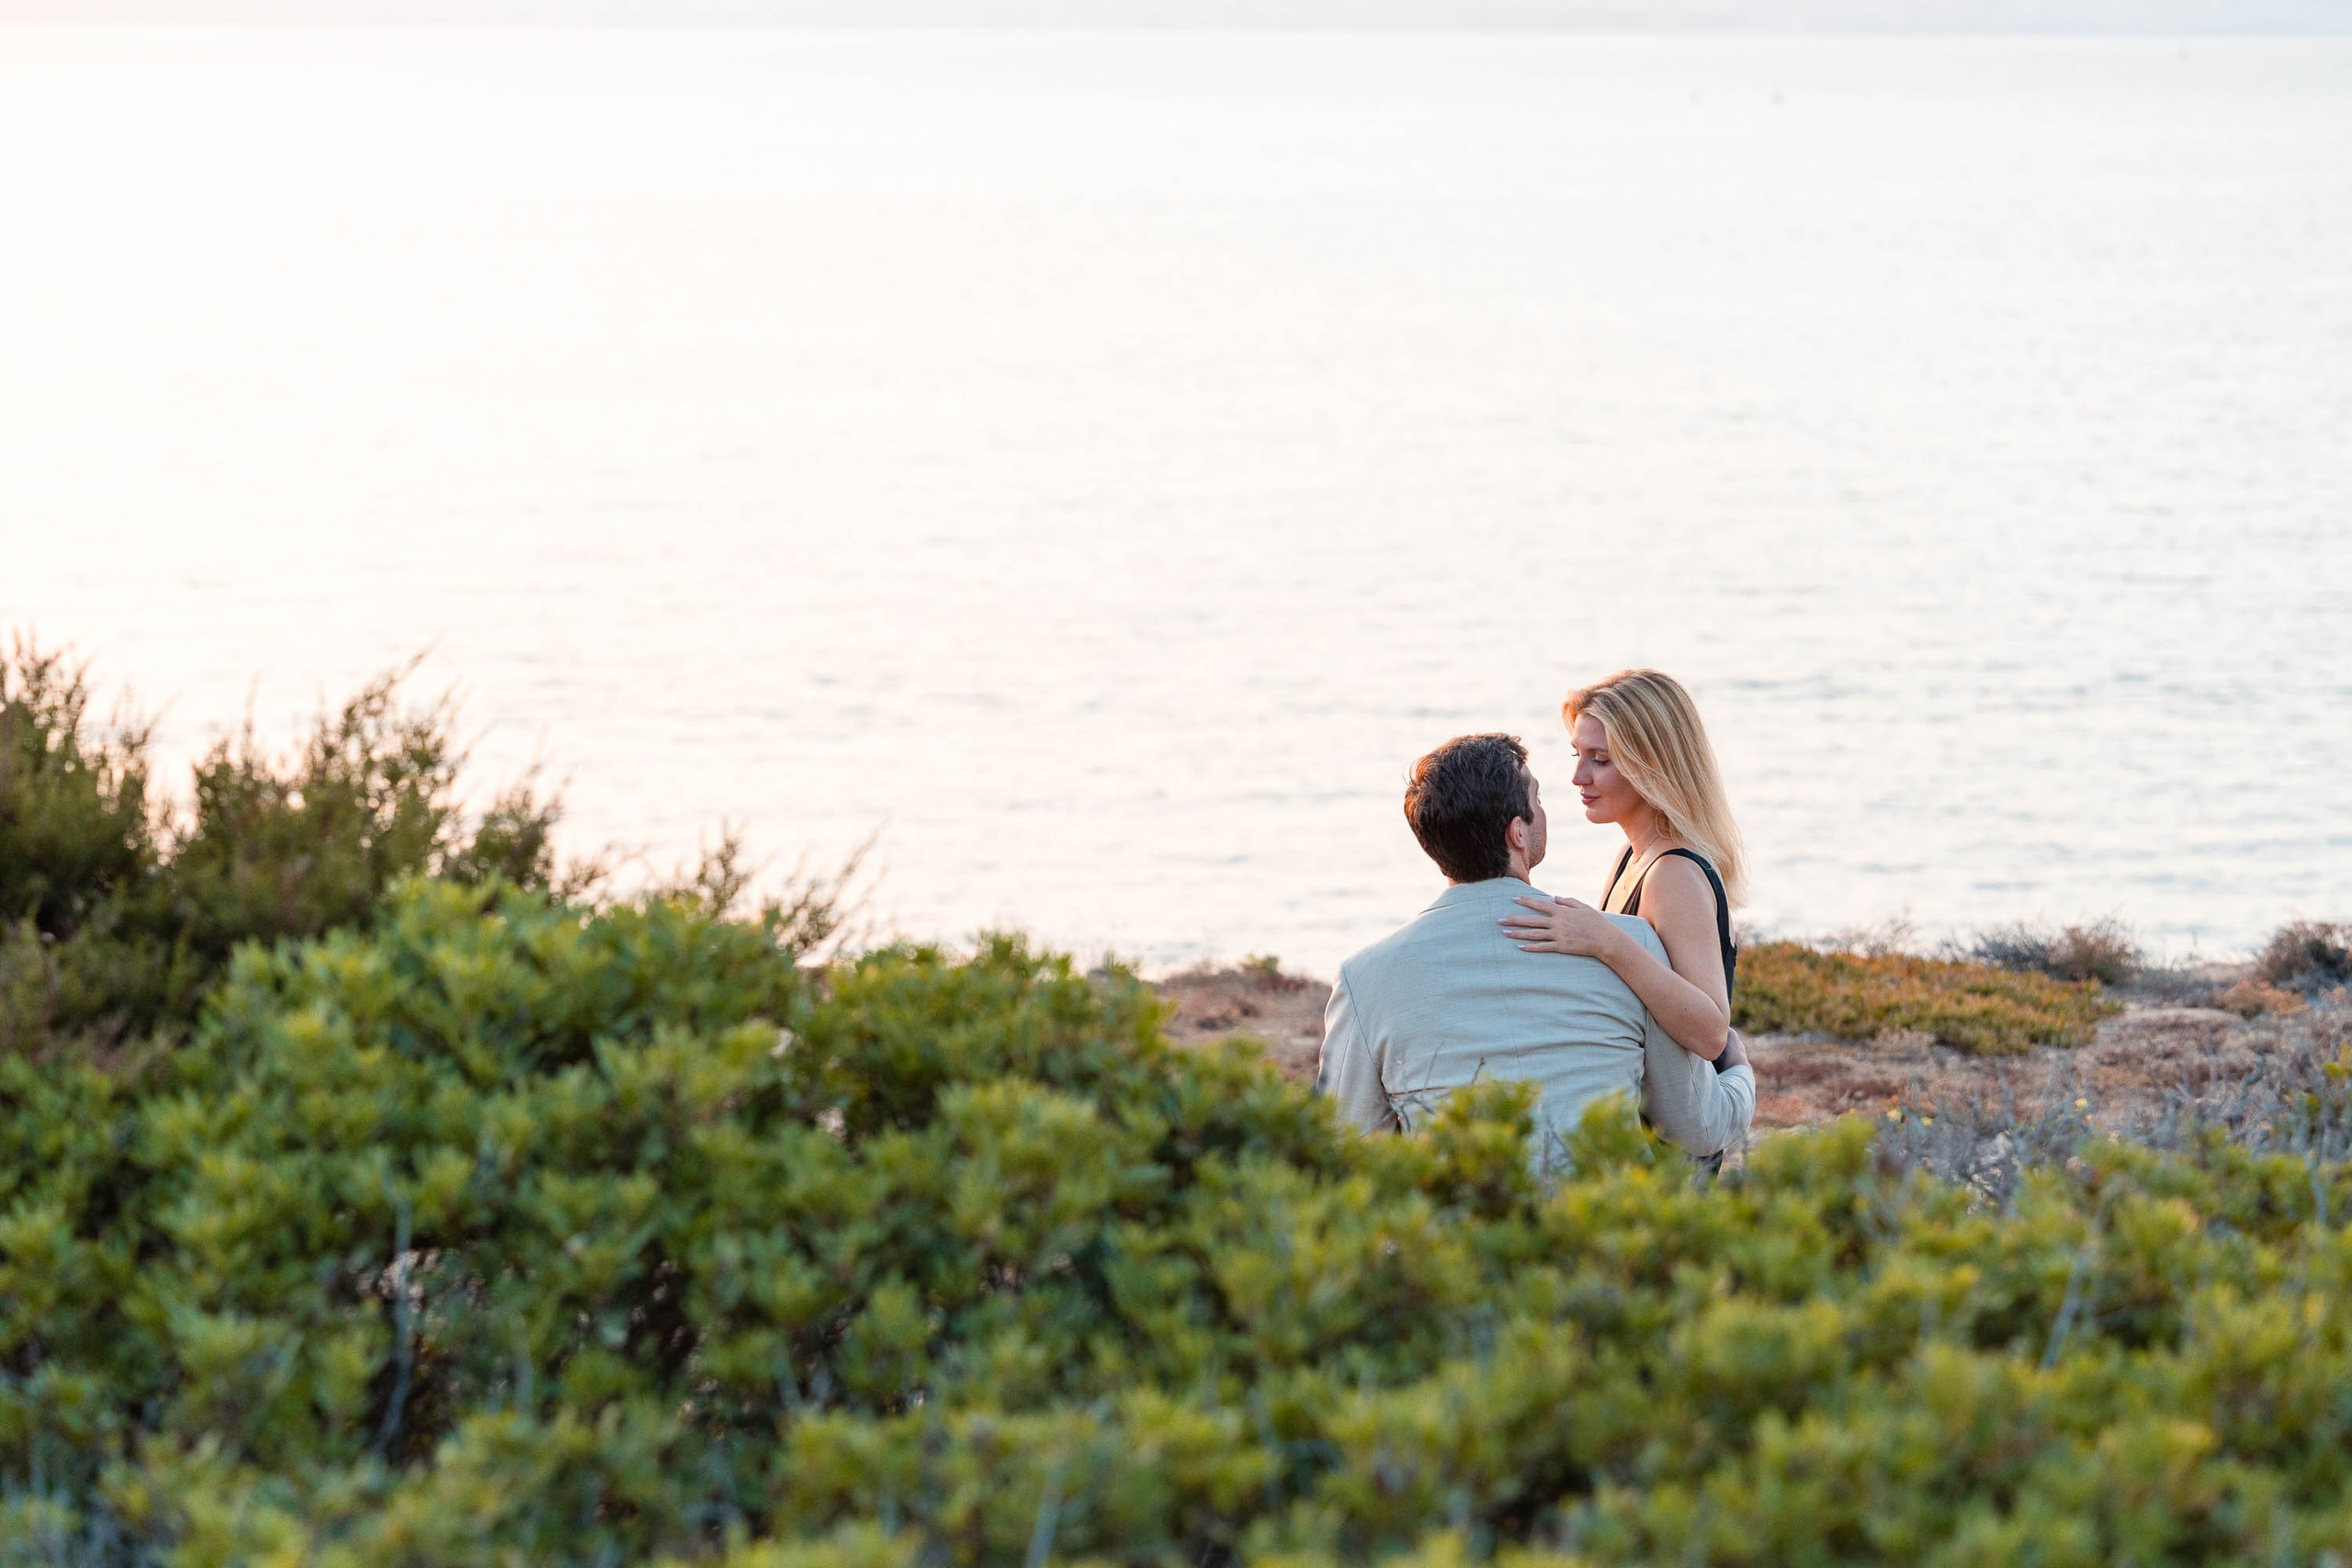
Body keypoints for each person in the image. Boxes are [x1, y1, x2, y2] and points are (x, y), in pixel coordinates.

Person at [1316, 732, 1753, 1166]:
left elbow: (1344, 1148)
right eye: (1537, 799)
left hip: (1463, 1229)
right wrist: (1739, 1074)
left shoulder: (1364, 978)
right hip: (1609, 1224)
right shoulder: (1626, 945)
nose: (1547, 808)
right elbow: (1699, 1128)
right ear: (1518, 833)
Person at [1499, 671, 1744, 1075]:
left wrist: (1605, 941)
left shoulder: (1673, 873)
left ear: (1652, 765)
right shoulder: (1632, 855)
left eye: (1601, 760)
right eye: (1577, 755)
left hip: (1673, 1133)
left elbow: (1711, 1032)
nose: (1579, 777)